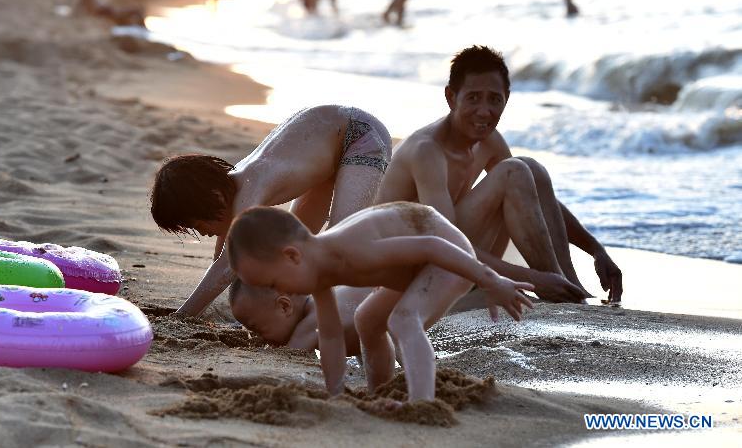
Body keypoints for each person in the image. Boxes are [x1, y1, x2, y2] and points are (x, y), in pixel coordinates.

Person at [375, 45, 624, 306]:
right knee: (514, 171)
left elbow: (534, 196)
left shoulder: (488, 140)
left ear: (507, 98)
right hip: (405, 275)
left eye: (494, 99)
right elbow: (443, 243)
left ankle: (568, 287)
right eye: (473, 98)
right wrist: (532, 278)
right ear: (451, 97)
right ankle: (562, 292)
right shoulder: (427, 150)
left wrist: (596, 250)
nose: (484, 111)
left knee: (530, 169)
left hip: (456, 261)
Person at [227, 202, 534, 401]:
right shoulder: (318, 275)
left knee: (402, 319)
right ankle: (381, 392)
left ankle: (421, 404)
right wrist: (335, 393)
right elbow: (331, 336)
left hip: (447, 256)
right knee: (367, 320)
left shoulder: (351, 248)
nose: (279, 291)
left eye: (273, 282)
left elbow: (431, 245)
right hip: (412, 270)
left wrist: (491, 280)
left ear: (292, 256)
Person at [151, 105, 392, 318]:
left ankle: (374, 306)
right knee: (298, 247)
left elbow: (227, 265)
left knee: (340, 240)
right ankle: (296, 313)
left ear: (214, 199)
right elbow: (224, 257)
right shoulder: (232, 190)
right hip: (327, 142)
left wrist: (183, 315)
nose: (203, 234)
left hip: (360, 137)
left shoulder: (252, 184)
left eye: (198, 225)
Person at [229, 280, 370, 355]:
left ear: (284, 307)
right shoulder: (319, 302)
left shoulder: (314, 321)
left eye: (259, 329)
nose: (260, 338)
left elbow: (291, 355)